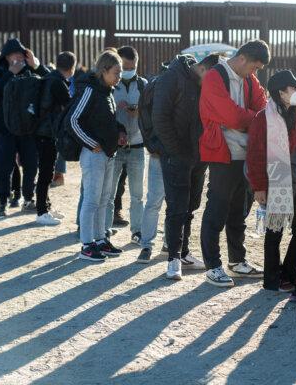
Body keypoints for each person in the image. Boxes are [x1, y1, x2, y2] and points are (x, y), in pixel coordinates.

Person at [198, 40, 269, 287]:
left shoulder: (249, 79)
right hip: (222, 153)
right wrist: (249, 119)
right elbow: (231, 115)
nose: (255, 73)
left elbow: (263, 110)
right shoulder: (215, 76)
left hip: (244, 154)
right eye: (254, 67)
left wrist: (244, 120)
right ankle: (212, 266)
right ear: (242, 59)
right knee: (216, 209)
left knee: (239, 210)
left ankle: (237, 260)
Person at [142, 53, 220, 278]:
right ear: (204, 69)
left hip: (198, 156)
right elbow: (160, 118)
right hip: (176, 156)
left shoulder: (201, 82)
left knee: (192, 206)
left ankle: (184, 253)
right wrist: (175, 151)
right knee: (176, 207)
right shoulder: (172, 77)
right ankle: (172, 259)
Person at [247, 70, 296, 292]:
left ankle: (290, 271)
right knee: (275, 231)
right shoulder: (263, 119)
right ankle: (271, 279)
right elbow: (255, 154)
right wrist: (259, 186)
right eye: (293, 88)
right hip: (276, 183)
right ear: (281, 92)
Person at [72, 50, 126, 261]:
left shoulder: (108, 92)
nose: (119, 76)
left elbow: (108, 122)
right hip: (94, 155)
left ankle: (100, 239)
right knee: (92, 200)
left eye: (120, 72)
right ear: (104, 70)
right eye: (116, 72)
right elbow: (73, 120)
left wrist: (120, 131)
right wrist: (90, 143)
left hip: (109, 153)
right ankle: (87, 244)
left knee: (104, 199)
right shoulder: (90, 90)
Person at [0, 38, 50, 216]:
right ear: (6, 56)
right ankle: (3, 200)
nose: (18, 57)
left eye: (21, 54)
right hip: (4, 126)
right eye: (14, 54)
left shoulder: (30, 70)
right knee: (4, 165)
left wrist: (37, 65)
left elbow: (51, 82)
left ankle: (28, 198)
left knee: (31, 164)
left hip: (28, 127)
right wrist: (10, 73)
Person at [105, 46, 147, 243]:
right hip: (115, 147)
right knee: (109, 193)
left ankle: (137, 231)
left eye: (132, 67)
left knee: (137, 194)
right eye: (124, 67)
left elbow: (151, 114)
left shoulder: (144, 85)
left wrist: (139, 112)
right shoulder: (110, 84)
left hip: (137, 146)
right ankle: (104, 230)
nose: (127, 71)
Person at [34, 51, 76, 225]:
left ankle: (46, 206)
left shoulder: (50, 78)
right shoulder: (58, 83)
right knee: (46, 172)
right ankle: (41, 212)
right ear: (72, 67)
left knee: (46, 170)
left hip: (41, 131)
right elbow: (70, 105)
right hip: (47, 133)